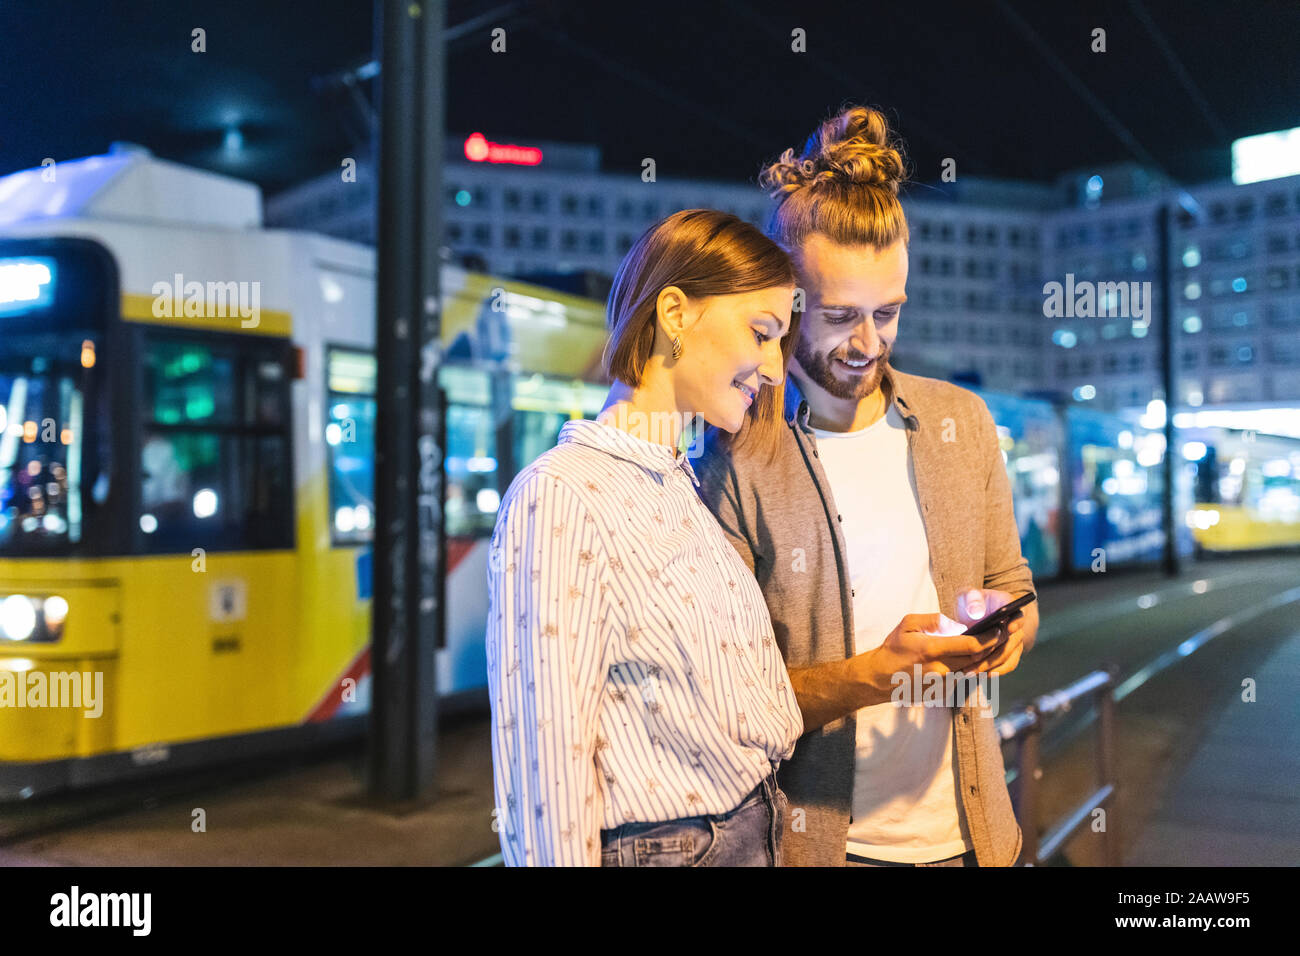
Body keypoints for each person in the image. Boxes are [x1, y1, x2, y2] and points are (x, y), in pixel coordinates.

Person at [696, 106, 1040, 868]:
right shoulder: (734, 458)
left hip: (977, 839)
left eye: (888, 313)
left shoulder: (963, 421)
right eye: (840, 315)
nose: (868, 343)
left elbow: (1012, 584)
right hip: (825, 849)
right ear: (785, 301)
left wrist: (1005, 628)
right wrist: (875, 675)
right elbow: (729, 700)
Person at [486, 208, 804, 866]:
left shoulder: (677, 483)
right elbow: (547, 767)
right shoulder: (563, 494)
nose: (776, 369)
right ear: (675, 313)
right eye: (763, 332)